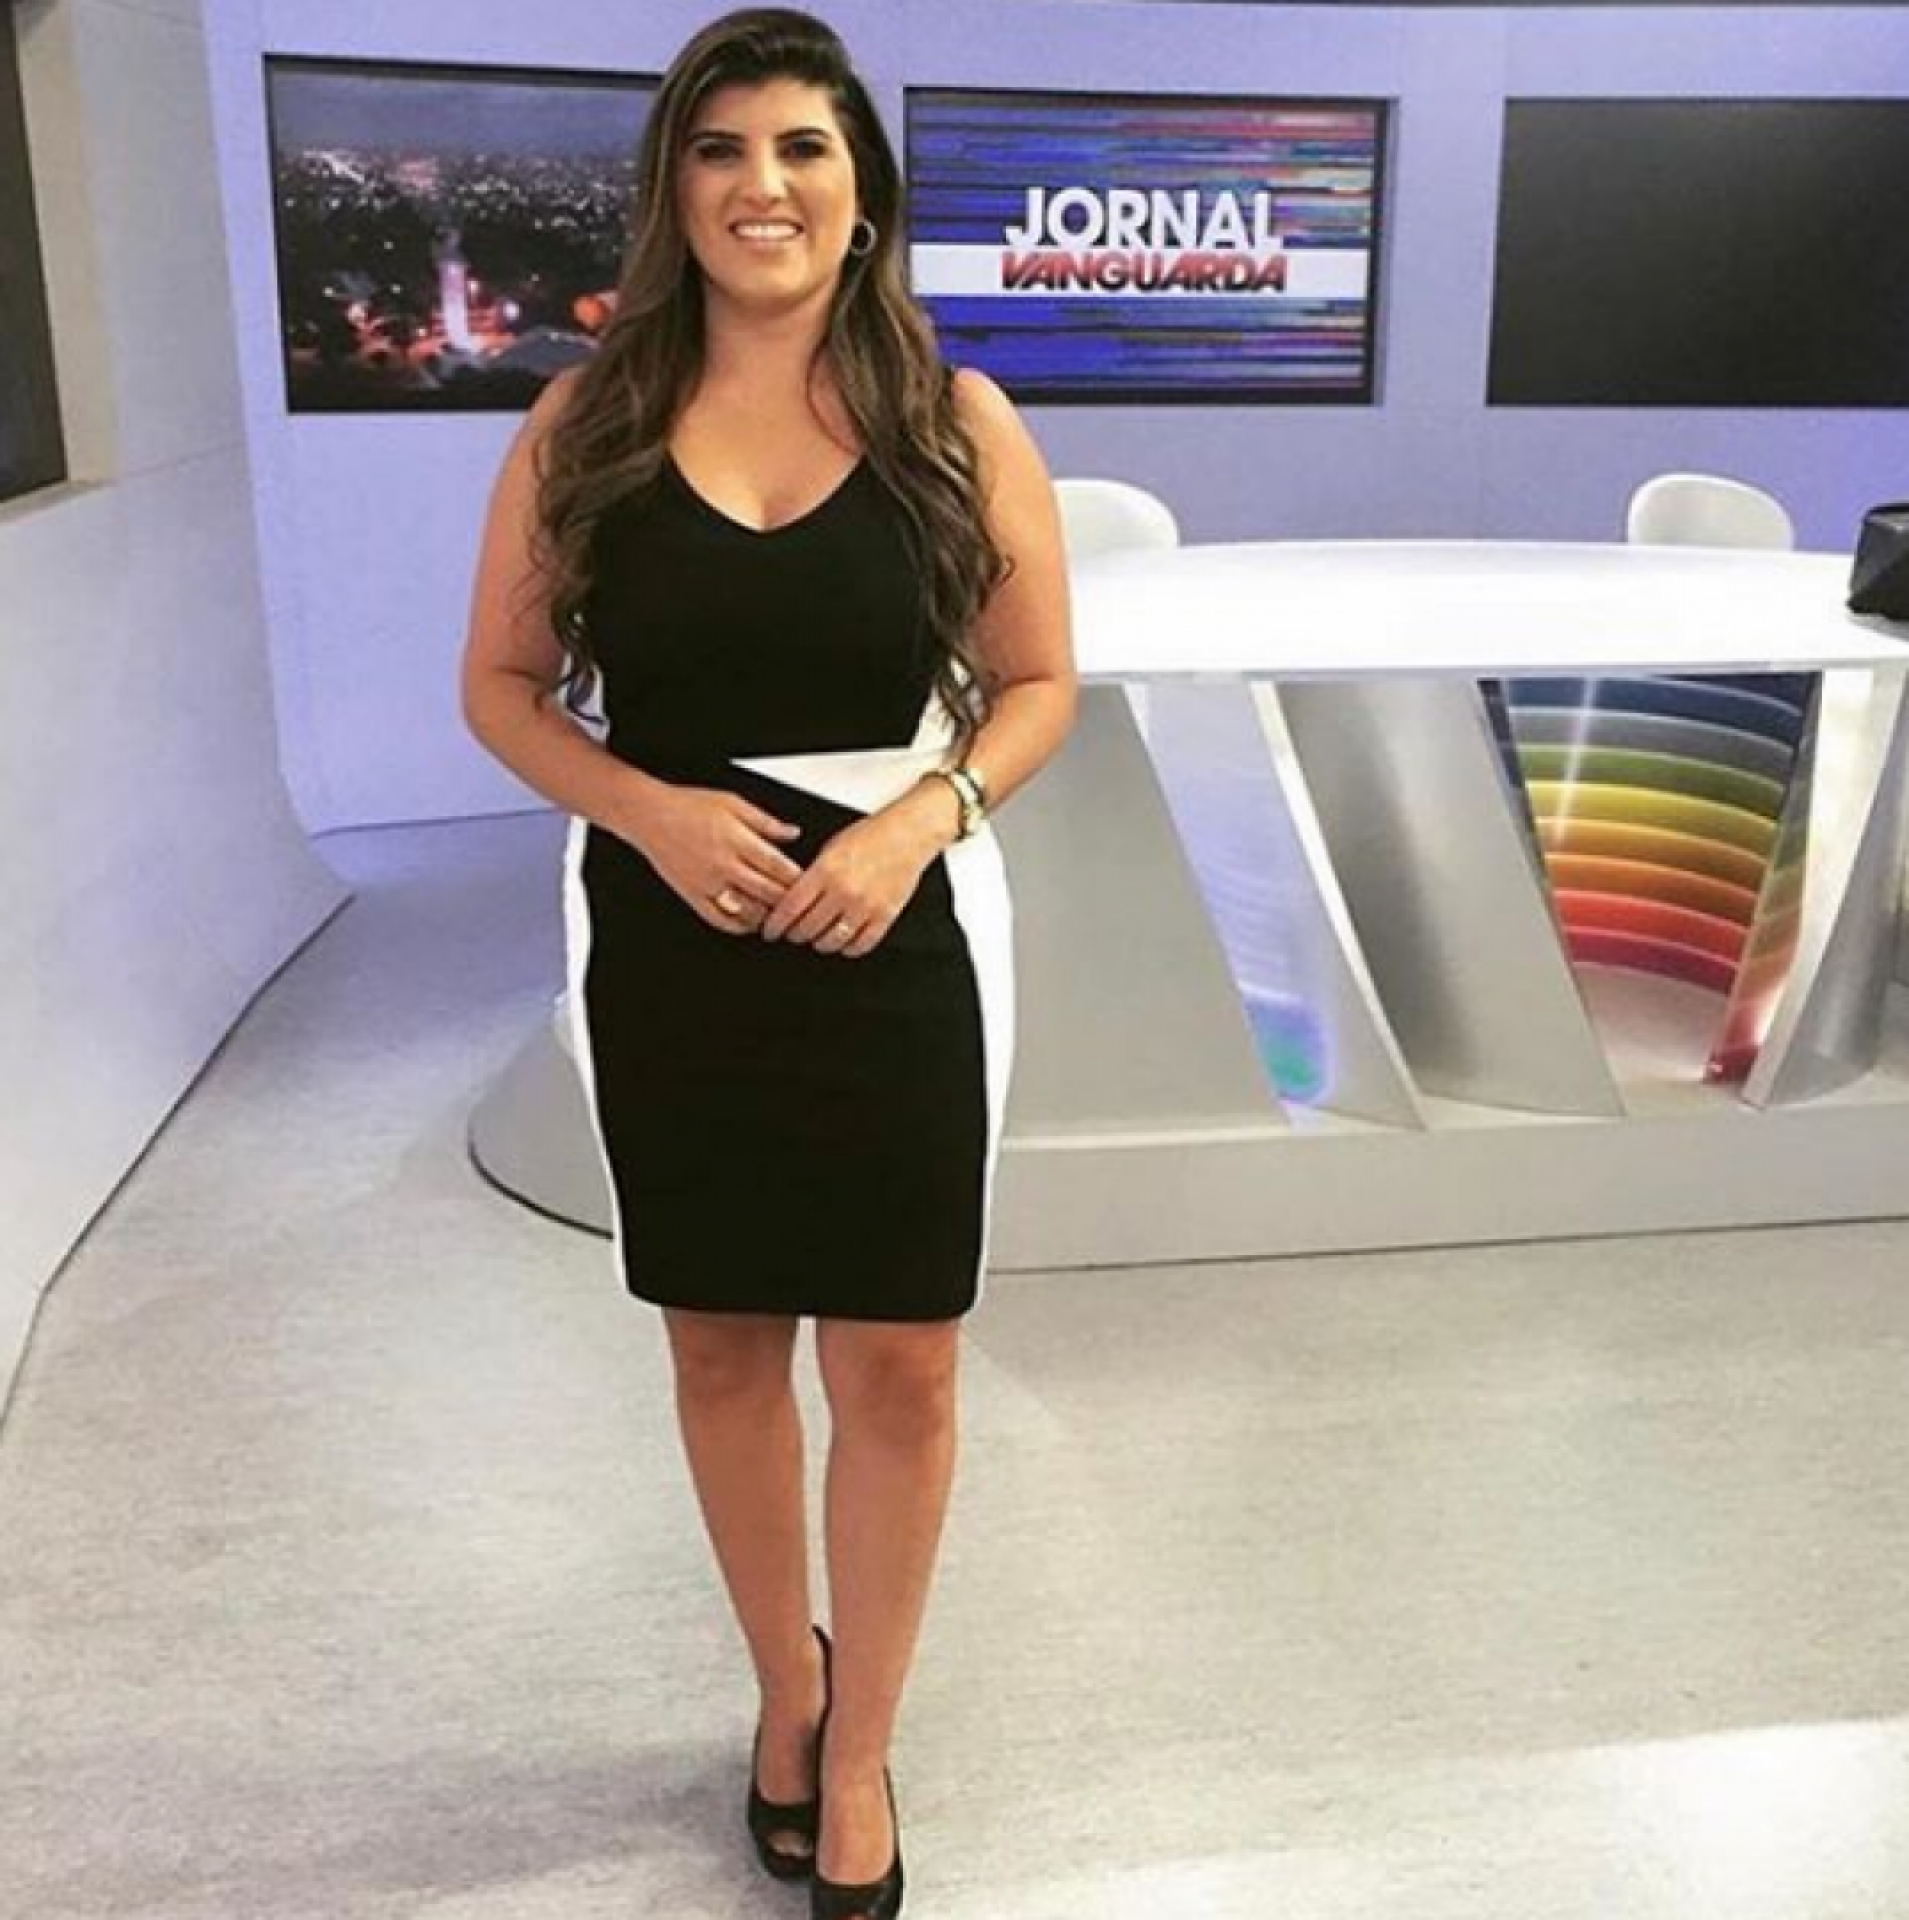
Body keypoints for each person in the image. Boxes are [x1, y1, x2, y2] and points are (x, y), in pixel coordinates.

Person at [459, 10, 1075, 1916]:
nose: (763, 186)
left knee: (900, 1361)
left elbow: (1042, 684)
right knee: (723, 1346)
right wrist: (646, 810)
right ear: (675, 190)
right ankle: (784, 1695)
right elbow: (502, 689)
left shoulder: (956, 420)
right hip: (674, 942)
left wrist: (920, 818)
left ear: (860, 190)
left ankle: (863, 1742)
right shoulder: (586, 423)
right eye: (720, 150)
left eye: (803, 147)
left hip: (901, 933)